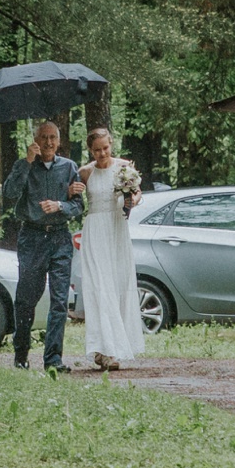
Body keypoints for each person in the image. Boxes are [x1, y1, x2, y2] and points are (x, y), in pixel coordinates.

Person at [0, 120, 82, 374]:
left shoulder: (69, 168)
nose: (48, 142)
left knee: (59, 300)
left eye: (53, 137)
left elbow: (79, 206)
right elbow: (10, 193)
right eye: (43, 137)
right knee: (26, 299)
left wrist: (61, 205)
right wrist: (26, 162)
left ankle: (53, 360)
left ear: (59, 141)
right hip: (32, 238)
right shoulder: (24, 165)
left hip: (59, 238)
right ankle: (21, 354)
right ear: (36, 139)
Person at [76, 128, 144, 370]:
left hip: (117, 229)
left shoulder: (125, 167)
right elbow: (73, 196)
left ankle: (113, 346)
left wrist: (132, 201)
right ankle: (104, 350)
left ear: (111, 144)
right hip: (95, 230)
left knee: (117, 286)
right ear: (90, 151)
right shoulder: (85, 172)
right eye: (97, 150)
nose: (102, 153)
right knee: (99, 288)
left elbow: (137, 193)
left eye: (105, 147)